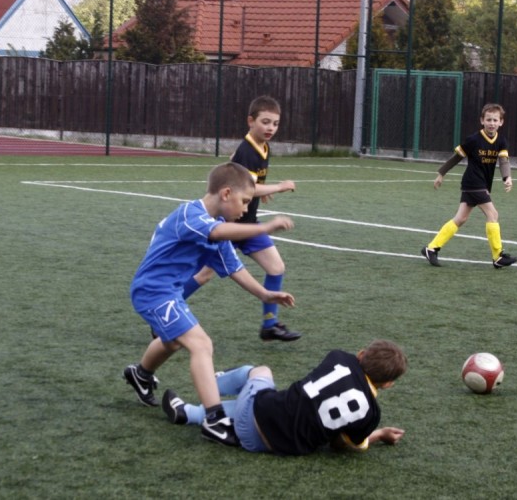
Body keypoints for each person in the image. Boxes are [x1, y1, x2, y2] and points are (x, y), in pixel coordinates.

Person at [123, 161, 296, 447]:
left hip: (168, 292)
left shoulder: (216, 230)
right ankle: (214, 420)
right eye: (244, 201)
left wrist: (265, 294)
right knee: (201, 344)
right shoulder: (191, 216)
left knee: (173, 341)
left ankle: (140, 374)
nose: (246, 210)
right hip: (153, 292)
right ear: (226, 193)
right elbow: (216, 233)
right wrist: (264, 227)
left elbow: (234, 268)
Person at [183, 95, 301, 342]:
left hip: (248, 224)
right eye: (265, 122)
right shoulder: (247, 150)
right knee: (204, 275)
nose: (270, 128)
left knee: (276, 268)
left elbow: (251, 183)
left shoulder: (263, 147)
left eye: (275, 124)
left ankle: (270, 325)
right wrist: (278, 187)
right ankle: (164, 313)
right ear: (250, 121)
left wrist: (262, 191)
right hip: (228, 226)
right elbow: (244, 188)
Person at [160, 339, 408, 455]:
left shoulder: (339, 357)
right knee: (261, 404)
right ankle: (187, 413)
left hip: (261, 412)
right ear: (388, 384)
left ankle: (208, 383)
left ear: (361, 354)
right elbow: (340, 444)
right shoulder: (371, 415)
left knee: (259, 371)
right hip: (268, 446)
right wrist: (379, 434)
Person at [421, 103, 517, 269]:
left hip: (479, 184)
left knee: (460, 219)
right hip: (473, 182)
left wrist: (507, 177)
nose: (492, 123)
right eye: (488, 119)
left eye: (495, 120)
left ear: (501, 122)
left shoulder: (501, 141)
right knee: (493, 214)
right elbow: (456, 157)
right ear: (482, 120)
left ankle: (432, 248)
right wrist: (441, 173)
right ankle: (498, 256)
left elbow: (503, 161)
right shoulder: (473, 139)